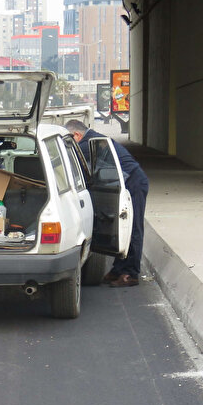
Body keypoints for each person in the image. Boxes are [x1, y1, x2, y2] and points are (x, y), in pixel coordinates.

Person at [67, 118, 149, 288]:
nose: (71, 144)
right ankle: (118, 269)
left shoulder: (86, 144)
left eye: (70, 140)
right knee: (118, 229)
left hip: (133, 183)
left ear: (77, 134)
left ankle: (130, 273)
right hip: (121, 183)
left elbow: (71, 166)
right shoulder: (92, 141)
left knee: (132, 228)